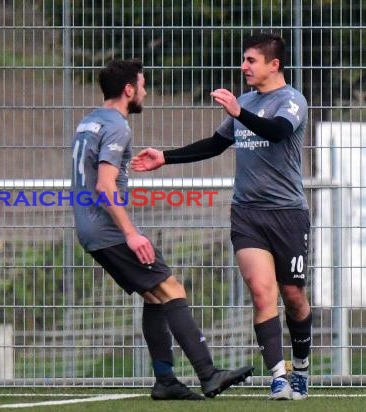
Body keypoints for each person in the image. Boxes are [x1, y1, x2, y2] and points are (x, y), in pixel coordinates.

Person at [132, 33, 311, 401]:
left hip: (288, 215)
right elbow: (215, 145)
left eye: (251, 61)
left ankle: (302, 368)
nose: (243, 67)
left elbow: (277, 133)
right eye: (243, 60)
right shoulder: (243, 102)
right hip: (247, 214)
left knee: (293, 297)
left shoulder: (292, 101)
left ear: (273, 65)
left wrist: (239, 113)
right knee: (263, 294)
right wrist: (165, 157)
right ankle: (279, 377)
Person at [71, 58, 253, 401]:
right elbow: (105, 186)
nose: (145, 91)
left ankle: (165, 378)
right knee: (171, 290)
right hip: (107, 228)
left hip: (90, 226)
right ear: (128, 90)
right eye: (141, 85)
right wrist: (130, 233)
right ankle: (208, 373)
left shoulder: (89, 122)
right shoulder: (118, 127)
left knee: (155, 296)